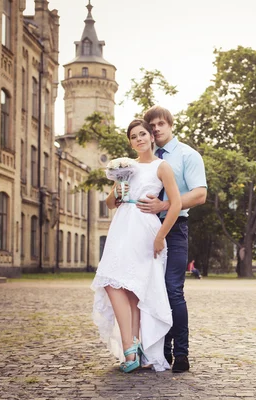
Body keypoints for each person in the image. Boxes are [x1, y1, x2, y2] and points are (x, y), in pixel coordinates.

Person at [90, 119, 182, 373]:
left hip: (145, 228)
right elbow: (110, 203)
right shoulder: (126, 167)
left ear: (152, 137)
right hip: (122, 226)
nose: (139, 139)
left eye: (142, 134)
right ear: (130, 143)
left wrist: (161, 236)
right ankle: (133, 348)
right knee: (116, 283)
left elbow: (174, 204)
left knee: (134, 288)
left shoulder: (161, 167)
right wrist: (118, 189)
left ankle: (133, 352)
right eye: (133, 137)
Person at [136, 105, 207, 373]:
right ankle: (158, 353)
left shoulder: (188, 155)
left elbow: (200, 195)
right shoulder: (146, 159)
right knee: (148, 290)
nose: (155, 129)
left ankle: (182, 354)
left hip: (176, 228)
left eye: (160, 124)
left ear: (170, 124)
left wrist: (164, 206)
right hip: (145, 229)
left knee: (172, 289)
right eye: (151, 125)